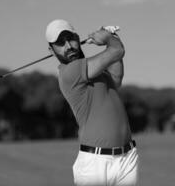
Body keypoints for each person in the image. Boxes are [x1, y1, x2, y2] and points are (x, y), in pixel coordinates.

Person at [45, 19, 139, 186]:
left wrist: (110, 37)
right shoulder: (69, 73)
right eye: (60, 43)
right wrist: (108, 39)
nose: (68, 46)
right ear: (51, 51)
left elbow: (116, 79)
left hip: (127, 158)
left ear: (78, 37)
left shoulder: (98, 72)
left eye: (71, 38)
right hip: (95, 164)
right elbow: (117, 50)